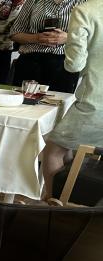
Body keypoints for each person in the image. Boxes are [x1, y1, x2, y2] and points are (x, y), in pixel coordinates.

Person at [40, 0, 103, 198]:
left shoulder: (86, 10)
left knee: (53, 151)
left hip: (95, 101)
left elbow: (74, 65)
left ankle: (53, 206)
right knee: (68, 148)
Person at [9, 0, 86, 93]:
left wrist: (68, 38)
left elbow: (95, 37)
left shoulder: (85, 3)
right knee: (21, 100)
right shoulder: (33, 1)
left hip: (64, 64)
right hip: (30, 62)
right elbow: (14, 33)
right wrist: (36, 38)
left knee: (57, 101)